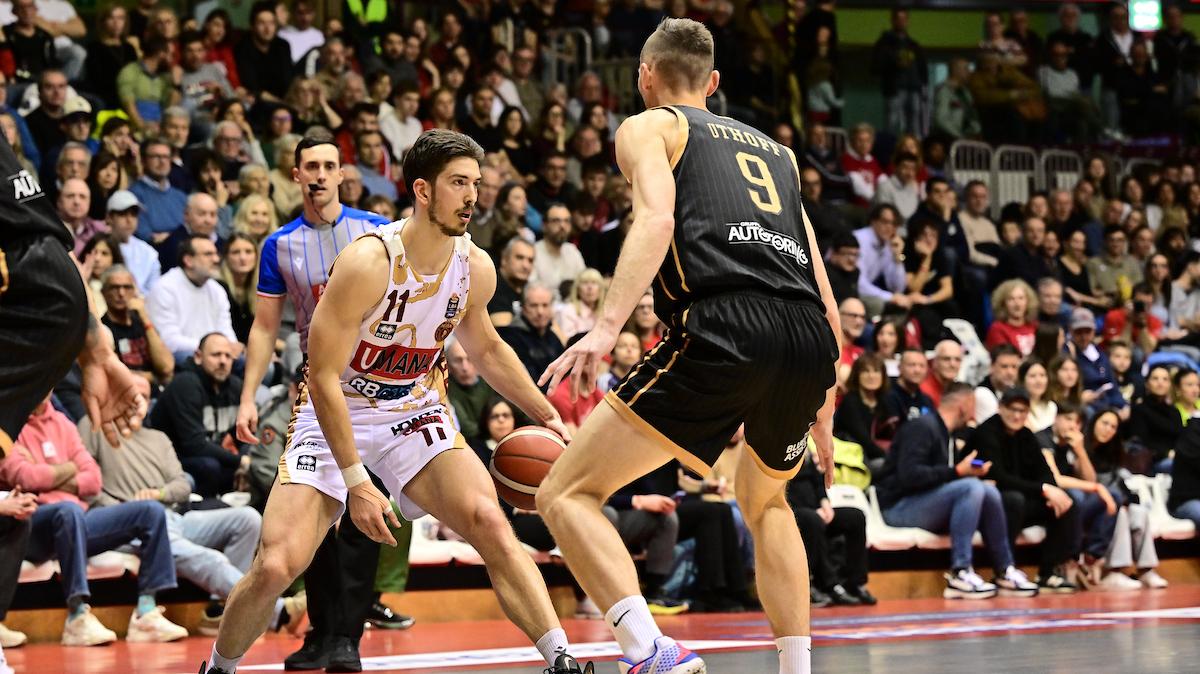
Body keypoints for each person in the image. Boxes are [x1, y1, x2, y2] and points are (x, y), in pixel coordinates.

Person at [202, 130, 592, 674]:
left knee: (489, 520)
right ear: (423, 191)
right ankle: (218, 667)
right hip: (334, 406)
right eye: (459, 183)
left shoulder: (474, 266)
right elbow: (323, 377)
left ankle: (562, 661)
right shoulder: (368, 261)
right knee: (276, 565)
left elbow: (487, 348)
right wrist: (358, 481)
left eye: (476, 184)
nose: (472, 195)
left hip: (411, 407)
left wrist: (548, 416)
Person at [536, 19, 843, 674]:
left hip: (726, 324)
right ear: (715, 82)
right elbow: (819, 277)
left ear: (645, 75)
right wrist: (829, 391)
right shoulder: (779, 154)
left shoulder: (652, 126)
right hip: (807, 339)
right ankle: (797, 667)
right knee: (768, 502)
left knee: (563, 494)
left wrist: (607, 325)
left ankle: (651, 651)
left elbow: (657, 218)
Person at [228, 131, 403, 672]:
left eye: (331, 165)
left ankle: (347, 634)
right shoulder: (279, 244)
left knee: (361, 508)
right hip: (314, 386)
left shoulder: (376, 232)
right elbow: (263, 327)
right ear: (297, 174)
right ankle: (323, 632)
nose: (322, 174)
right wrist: (248, 396)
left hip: (372, 385)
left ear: (343, 172)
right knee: (315, 513)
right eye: (311, 166)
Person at [0, 397, 187, 645]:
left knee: (150, 511)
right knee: (66, 511)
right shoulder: (9, 424)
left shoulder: (63, 423)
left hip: (77, 519)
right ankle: (77, 617)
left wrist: (50, 472)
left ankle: (146, 612)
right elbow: (25, 477)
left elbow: (93, 479)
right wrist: (70, 468)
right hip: (35, 521)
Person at [876, 382, 1037, 598]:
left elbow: (943, 477)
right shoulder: (923, 426)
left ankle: (1004, 569)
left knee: (987, 491)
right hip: (898, 507)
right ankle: (960, 572)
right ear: (964, 405)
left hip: (922, 501)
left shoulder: (945, 432)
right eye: (972, 407)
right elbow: (909, 476)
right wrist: (958, 472)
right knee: (970, 487)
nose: (973, 415)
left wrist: (963, 472)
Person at [966, 387, 1078, 593]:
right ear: (1000, 407)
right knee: (1013, 499)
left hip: (1023, 499)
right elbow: (999, 477)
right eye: (1012, 409)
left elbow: (1045, 472)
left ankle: (1049, 572)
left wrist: (1051, 489)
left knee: (1066, 501)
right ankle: (1003, 570)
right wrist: (1043, 489)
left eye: (1022, 411)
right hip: (988, 504)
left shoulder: (1027, 436)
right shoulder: (986, 433)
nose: (1017, 415)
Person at [100, 265, 174, 388]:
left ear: (135, 291)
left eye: (127, 287)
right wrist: (152, 377)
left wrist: (145, 318)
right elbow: (114, 373)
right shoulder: (103, 329)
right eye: (114, 288)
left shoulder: (144, 322)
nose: (121, 293)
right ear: (104, 293)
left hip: (155, 392)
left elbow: (166, 367)